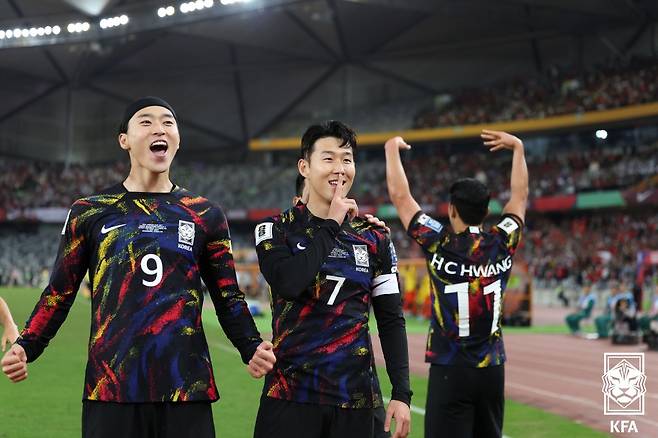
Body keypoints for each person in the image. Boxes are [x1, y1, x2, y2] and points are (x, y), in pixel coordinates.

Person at [1, 96, 275, 438]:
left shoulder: (205, 214)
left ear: (177, 139)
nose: (159, 128)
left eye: (168, 122)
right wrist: (26, 346)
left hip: (186, 387)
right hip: (110, 387)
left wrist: (251, 345)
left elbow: (228, 295)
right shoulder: (89, 211)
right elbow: (60, 291)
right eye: (146, 121)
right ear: (124, 139)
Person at [253, 121, 411, 438]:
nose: (340, 168)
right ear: (305, 167)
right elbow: (288, 282)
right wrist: (333, 224)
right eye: (328, 158)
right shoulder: (276, 229)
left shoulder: (374, 237)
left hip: (356, 400)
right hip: (291, 396)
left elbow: (391, 318)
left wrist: (401, 393)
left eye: (347, 159)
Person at [384, 129, 528, 438]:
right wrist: (517, 148)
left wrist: (391, 150)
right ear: (487, 211)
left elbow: (400, 197)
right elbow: (519, 198)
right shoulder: (502, 241)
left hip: (450, 367)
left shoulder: (439, 242)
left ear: (451, 210)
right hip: (492, 369)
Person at [293, 174, 394, 438]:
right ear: (297, 203)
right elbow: (288, 283)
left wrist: (380, 246)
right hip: (302, 389)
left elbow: (390, 314)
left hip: (358, 389)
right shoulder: (285, 238)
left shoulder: (365, 240)